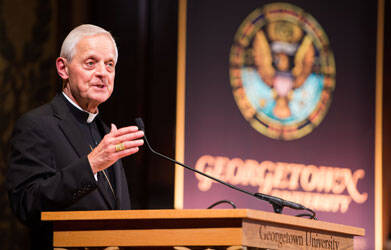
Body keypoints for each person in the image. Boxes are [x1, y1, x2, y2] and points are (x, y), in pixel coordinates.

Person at [6, 24, 144, 249]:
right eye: (91, 63)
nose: (102, 72)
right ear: (63, 68)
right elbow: (26, 204)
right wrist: (91, 165)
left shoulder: (106, 132)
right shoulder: (36, 125)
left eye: (109, 65)